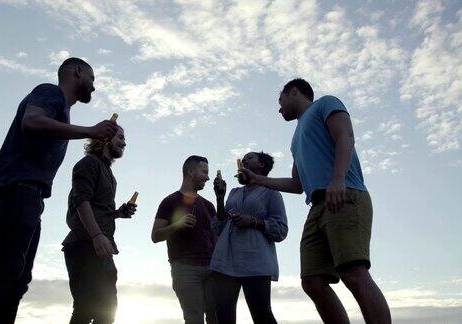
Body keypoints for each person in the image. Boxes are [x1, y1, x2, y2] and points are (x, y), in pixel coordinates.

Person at [0, 58, 118, 324]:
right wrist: (90, 131)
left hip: (29, 197)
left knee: (18, 276)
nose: (94, 87)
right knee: (5, 271)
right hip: (15, 189)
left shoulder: (64, 111)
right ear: (77, 72)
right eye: (92, 79)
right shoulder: (50, 92)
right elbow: (32, 121)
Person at [239, 78, 392, 324]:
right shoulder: (295, 138)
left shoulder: (325, 104)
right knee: (312, 281)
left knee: (353, 272)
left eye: (281, 102)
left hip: (345, 194)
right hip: (317, 206)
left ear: (294, 91)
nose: (279, 109)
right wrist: (257, 180)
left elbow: (345, 135)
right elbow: (297, 184)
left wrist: (338, 178)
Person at [62, 125, 136, 324]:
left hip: (102, 247)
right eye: (120, 137)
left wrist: (118, 213)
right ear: (105, 138)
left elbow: (96, 209)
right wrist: (96, 235)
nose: (124, 142)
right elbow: (81, 201)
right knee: (85, 309)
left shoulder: (109, 174)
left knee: (107, 312)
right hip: (84, 245)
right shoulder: (88, 164)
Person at [211, 151, 288, 324]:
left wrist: (254, 222)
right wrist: (220, 198)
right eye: (243, 158)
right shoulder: (234, 192)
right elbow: (219, 227)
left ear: (261, 165)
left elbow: (281, 230)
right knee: (223, 317)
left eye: (250, 157)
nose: (244, 159)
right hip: (225, 260)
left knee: (261, 315)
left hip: (256, 262)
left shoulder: (271, 192)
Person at [151, 156, 218, 324]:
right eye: (204, 172)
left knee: (216, 318)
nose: (208, 177)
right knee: (194, 319)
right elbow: (155, 236)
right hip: (185, 270)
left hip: (213, 269)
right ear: (190, 171)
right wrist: (177, 225)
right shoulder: (169, 202)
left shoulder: (209, 206)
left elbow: (216, 236)